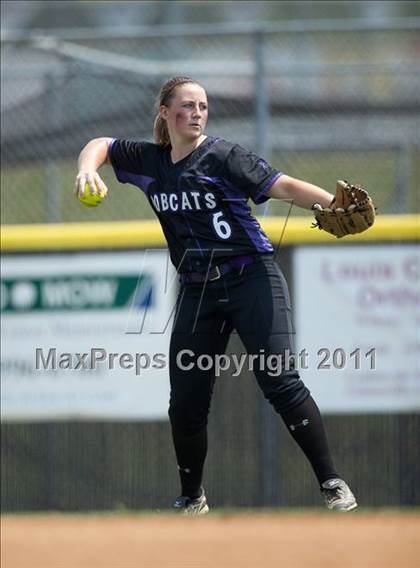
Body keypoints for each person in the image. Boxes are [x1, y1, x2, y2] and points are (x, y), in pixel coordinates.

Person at [75, 75, 358, 514]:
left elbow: (281, 185)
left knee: (279, 380)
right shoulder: (152, 161)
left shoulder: (224, 156)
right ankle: (192, 498)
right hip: (196, 290)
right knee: (185, 402)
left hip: (251, 279)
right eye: (186, 106)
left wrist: (330, 204)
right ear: (165, 113)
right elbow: (103, 145)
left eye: (203, 106)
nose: (197, 113)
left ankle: (332, 483)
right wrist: (86, 169)